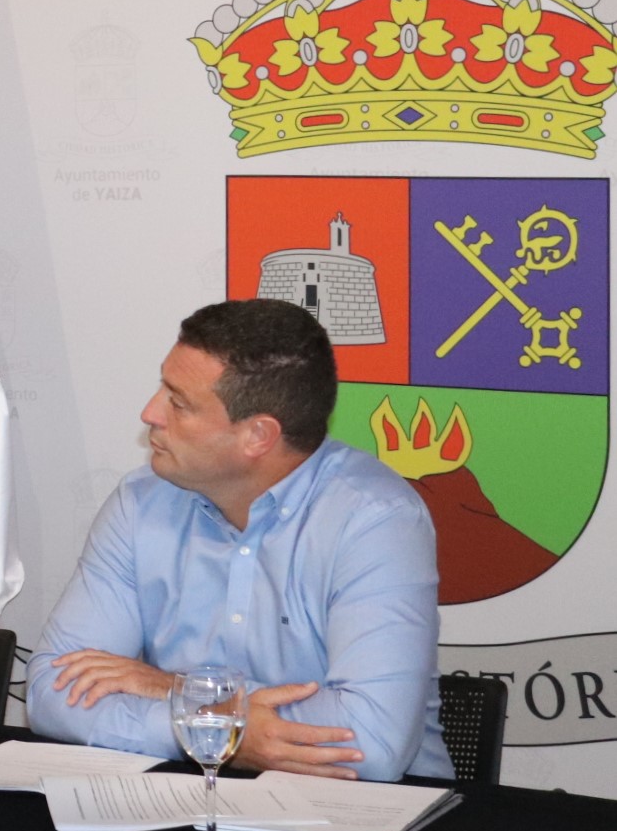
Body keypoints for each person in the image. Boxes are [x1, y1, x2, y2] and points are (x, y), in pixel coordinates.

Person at [26, 298, 452, 780]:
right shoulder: (141, 502)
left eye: (178, 402)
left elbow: (372, 745)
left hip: (371, 826)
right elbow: (53, 693)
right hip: (198, 804)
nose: (149, 413)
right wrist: (224, 734)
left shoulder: (376, 520)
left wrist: (180, 692)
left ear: (257, 436)